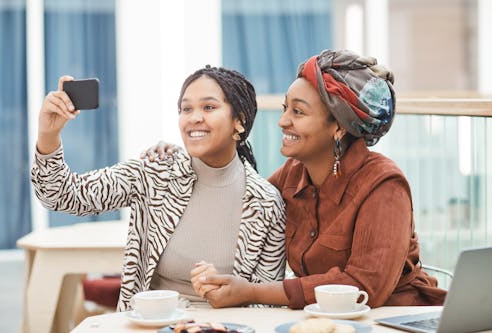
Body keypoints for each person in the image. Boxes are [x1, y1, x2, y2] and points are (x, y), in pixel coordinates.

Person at [183, 49, 447, 309]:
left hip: (399, 317)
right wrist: (181, 162)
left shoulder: (384, 185)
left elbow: (365, 286)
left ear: (339, 126)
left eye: (298, 112)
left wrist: (251, 292)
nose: (282, 121)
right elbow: (243, 207)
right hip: (324, 321)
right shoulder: (292, 174)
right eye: (285, 108)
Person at [30, 66, 287, 312]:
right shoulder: (156, 172)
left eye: (208, 107)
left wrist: (228, 299)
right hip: (151, 323)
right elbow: (61, 195)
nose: (194, 117)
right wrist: (48, 135)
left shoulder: (265, 203)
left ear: (239, 122)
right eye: (186, 109)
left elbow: (265, 304)